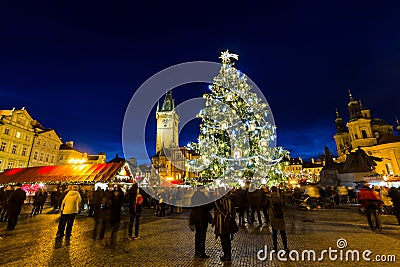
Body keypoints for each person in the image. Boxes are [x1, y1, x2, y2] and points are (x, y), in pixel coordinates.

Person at [213, 189, 238, 262]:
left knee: (224, 239)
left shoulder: (218, 200)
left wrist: (227, 215)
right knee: (227, 239)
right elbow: (233, 210)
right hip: (228, 222)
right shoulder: (229, 199)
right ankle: (228, 255)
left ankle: (226, 255)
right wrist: (231, 216)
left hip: (221, 222)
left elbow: (219, 209)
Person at [189, 187, 213, 258]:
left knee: (198, 234)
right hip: (202, 217)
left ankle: (197, 251)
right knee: (202, 235)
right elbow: (209, 206)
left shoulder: (194, 195)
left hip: (196, 217)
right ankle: (202, 252)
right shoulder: (203, 196)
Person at [267, 186, 288, 252]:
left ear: (271, 190)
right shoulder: (280, 197)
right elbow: (284, 205)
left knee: (274, 233)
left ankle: (275, 248)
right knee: (283, 232)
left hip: (273, 216)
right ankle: (285, 247)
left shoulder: (270, 197)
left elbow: (266, 205)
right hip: (280, 215)